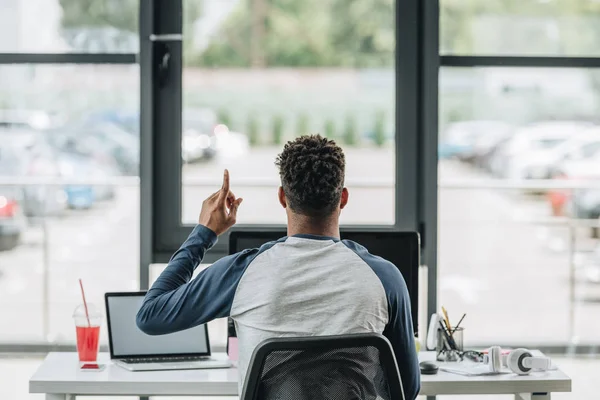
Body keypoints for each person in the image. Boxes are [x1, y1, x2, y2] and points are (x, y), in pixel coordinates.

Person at [136, 135, 420, 399]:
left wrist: (204, 233)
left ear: (282, 196)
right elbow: (407, 387)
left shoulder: (243, 273)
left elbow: (150, 315)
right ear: (343, 198)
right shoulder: (386, 278)